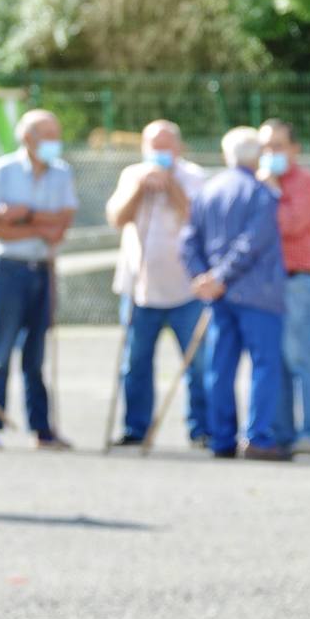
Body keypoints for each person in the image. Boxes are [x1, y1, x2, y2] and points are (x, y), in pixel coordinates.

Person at [180, 127, 289, 461]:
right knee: (264, 365)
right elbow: (252, 243)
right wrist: (220, 277)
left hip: (219, 297)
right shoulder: (261, 194)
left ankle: (222, 437)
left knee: (220, 366)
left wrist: (204, 277)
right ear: (256, 156)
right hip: (258, 294)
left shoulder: (206, 191)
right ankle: (257, 437)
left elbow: (187, 240)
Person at [0, 109, 78, 451]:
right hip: (8, 269)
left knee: (36, 355)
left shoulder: (62, 173)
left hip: (43, 269)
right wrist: (40, 226)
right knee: (0, 353)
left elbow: (61, 227)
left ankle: (42, 430)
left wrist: (24, 216)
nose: (54, 142)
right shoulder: (2, 170)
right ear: (28, 139)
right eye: (49, 135)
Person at [104, 119, 208, 447]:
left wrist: (172, 184)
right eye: (154, 147)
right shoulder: (131, 175)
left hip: (186, 289)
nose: (160, 153)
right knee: (135, 362)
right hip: (140, 288)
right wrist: (140, 188)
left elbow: (197, 217)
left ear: (178, 148)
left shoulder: (194, 175)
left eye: (166, 146)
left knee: (197, 362)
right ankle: (136, 428)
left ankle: (201, 429)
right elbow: (117, 219)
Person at [258, 118, 310, 455]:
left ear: (294, 149)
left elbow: (289, 223)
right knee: (277, 361)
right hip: (267, 286)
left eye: (278, 146)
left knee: (301, 359)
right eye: (265, 147)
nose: (270, 153)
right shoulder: (261, 183)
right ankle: (283, 432)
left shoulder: (306, 184)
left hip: (297, 282)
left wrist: (271, 190)